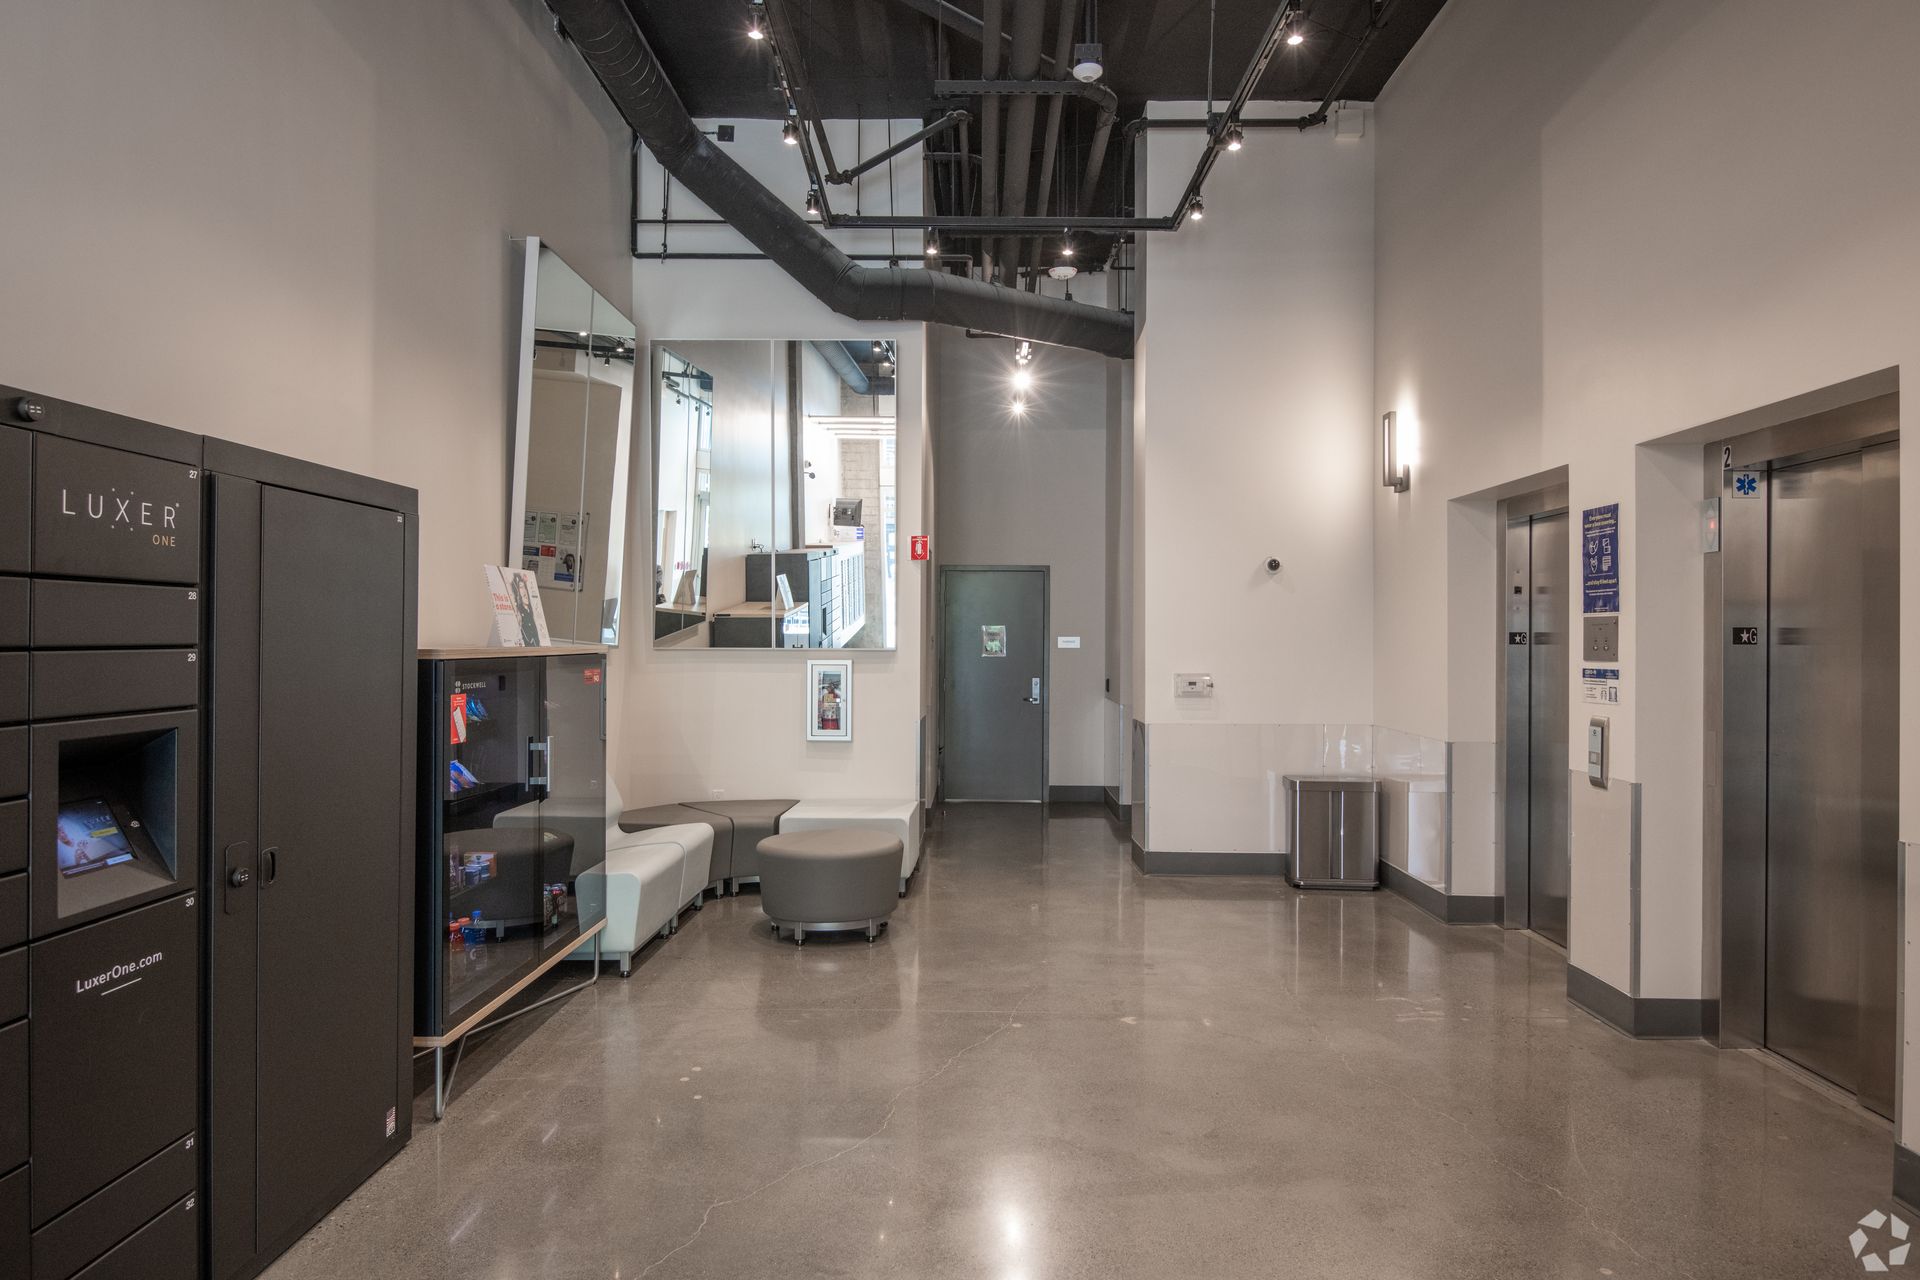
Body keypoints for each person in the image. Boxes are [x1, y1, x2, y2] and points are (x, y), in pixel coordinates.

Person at [509, 573, 542, 646]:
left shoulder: (531, 612)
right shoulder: (520, 614)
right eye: (521, 587)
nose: (524, 591)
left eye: (524, 587)